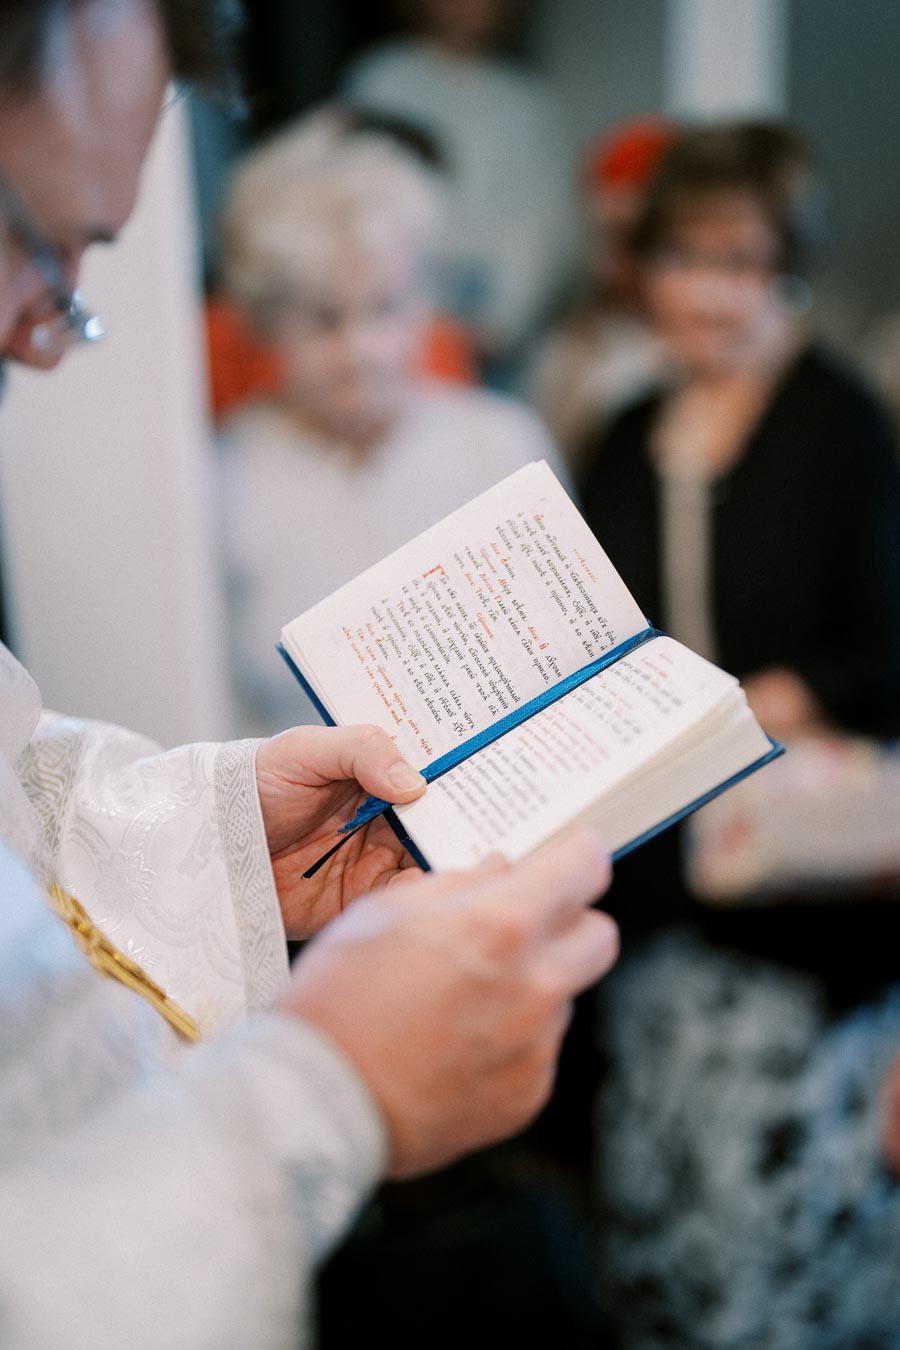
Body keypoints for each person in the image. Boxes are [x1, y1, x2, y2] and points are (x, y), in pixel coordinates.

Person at [0, 4, 620, 1347]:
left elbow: (35, 796)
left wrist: (223, 814)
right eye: (35, 245)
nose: (37, 333)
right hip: (345, 879)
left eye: (75, 263)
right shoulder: (227, 474)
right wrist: (327, 1074)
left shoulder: (493, 432)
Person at [579, 121, 900, 1349]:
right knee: (664, 1242)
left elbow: (884, 654)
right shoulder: (622, 430)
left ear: (788, 266)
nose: (715, 290)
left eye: (744, 258)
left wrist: (723, 707)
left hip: (808, 913)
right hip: (659, 897)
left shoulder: (840, 421)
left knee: (781, 1267)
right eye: (686, 257)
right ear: (642, 268)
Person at [217, 107, 563, 735]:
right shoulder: (225, 473)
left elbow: (566, 655)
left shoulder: (504, 443)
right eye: (325, 319)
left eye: (387, 307)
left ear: (427, 298)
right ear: (268, 322)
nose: (362, 350)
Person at [342, 0, 576, 381]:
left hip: (496, 326)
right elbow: (357, 192)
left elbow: (542, 225)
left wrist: (502, 321)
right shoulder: (382, 78)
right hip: (403, 295)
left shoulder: (526, 102)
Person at [529, 118, 677, 470]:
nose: (605, 265)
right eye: (600, 236)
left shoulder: (710, 356)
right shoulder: (573, 347)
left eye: (628, 239)